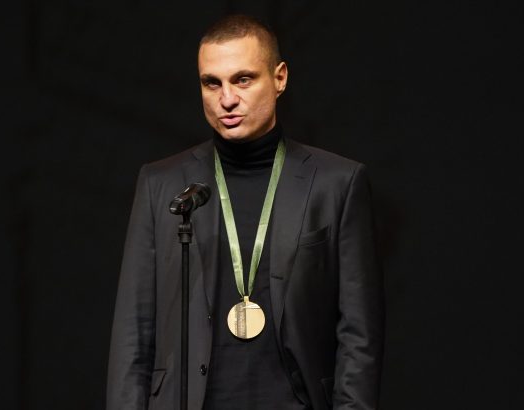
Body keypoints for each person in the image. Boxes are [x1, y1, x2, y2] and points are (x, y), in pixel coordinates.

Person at [107, 14, 384, 410]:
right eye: (211, 83)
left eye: (243, 79)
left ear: (280, 78)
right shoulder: (161, 183)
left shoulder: (336, 183)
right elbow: (134, 331)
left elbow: (359, 333)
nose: (227, 99)